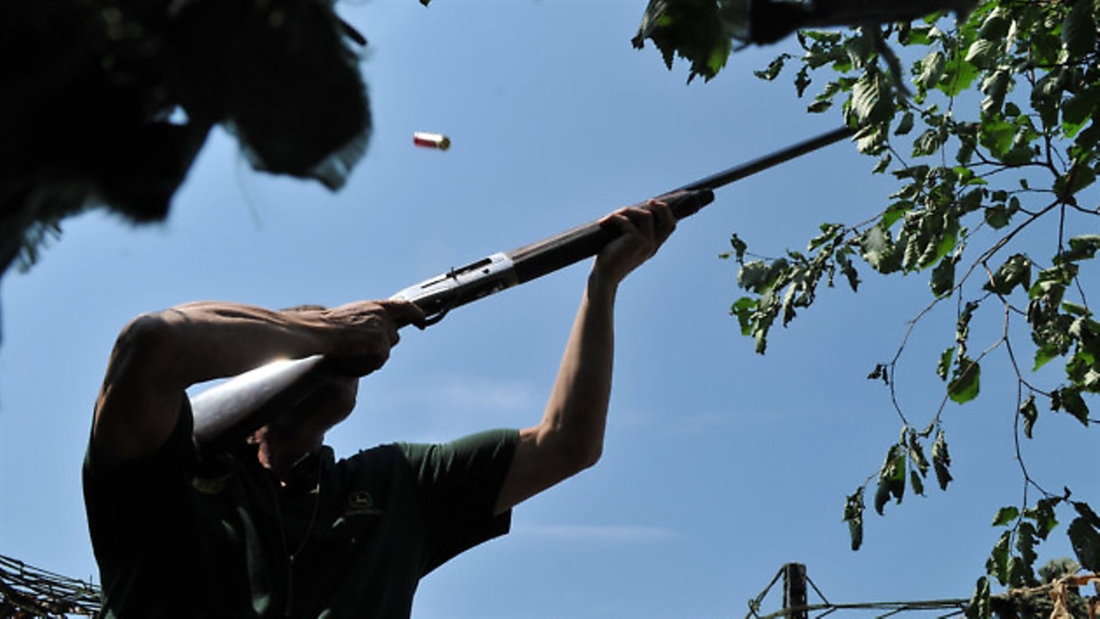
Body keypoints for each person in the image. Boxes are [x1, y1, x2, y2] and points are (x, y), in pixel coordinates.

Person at [83, 200, 677, 618]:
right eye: (307, 351)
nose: (339, 359)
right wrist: (329, 332)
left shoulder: (393, 485)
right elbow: (154, 343)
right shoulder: (172, 470)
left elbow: (568, 442)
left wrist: (603, 286)